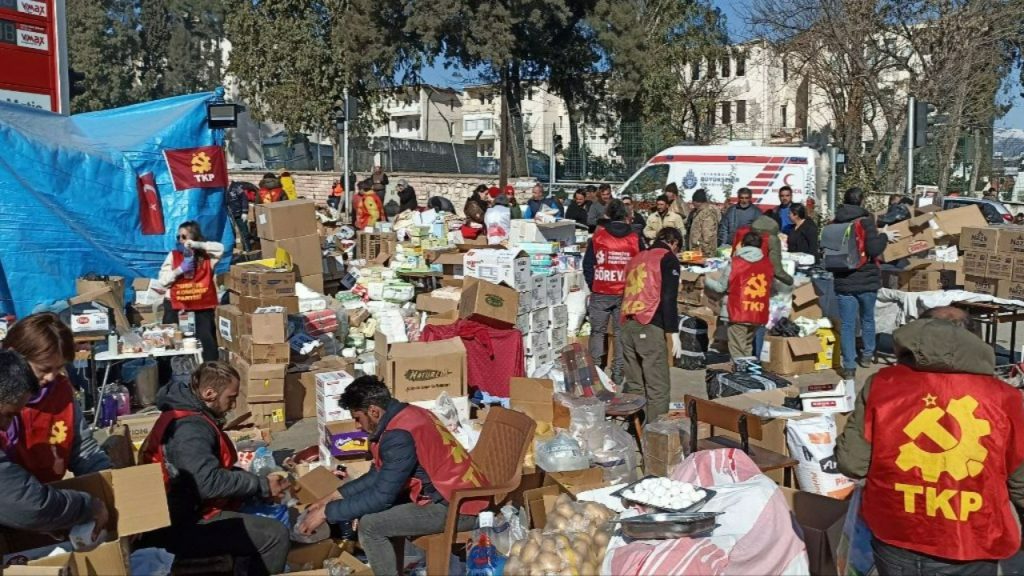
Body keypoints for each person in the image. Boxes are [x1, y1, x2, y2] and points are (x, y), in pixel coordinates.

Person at [836, 314, 1024, 576]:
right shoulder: (1006, 398)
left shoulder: (881, 384)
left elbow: (851, 463)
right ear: (974, 338)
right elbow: (1021, 483)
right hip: (972, 541)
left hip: (896, 534)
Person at [297, 376, 487, 574]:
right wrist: (332, 498)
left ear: (373, 411)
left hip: (460, 507)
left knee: (371, 526)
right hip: (456, 496)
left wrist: (327, 512)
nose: (356, 426)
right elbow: (378, 475)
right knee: (369, 513)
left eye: (357, 418)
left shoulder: (398, 435)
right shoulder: (408, 414)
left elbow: (382, 497)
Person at [139, 362, 291, 575]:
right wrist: (261, 485)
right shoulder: (189, 429)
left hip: (187, 509)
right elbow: (207, 483)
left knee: (259, 510)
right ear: (209, 394)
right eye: (231, 397)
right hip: (183, 523)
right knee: (275, 535)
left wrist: (256, 485)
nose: (233, 404)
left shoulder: (189, 415)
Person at [0, 349, 109, 534]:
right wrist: (88, 507)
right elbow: (30, 505)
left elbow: (81, 446)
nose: (5, 426)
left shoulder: (61, 392)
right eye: (7, 415)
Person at [1, 313, 112, 483]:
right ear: (15, 357)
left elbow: (81, 447)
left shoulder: (61, 391)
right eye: (44, 369)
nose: (52, 377)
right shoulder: (4, 397)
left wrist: (108, 479)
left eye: (59, 367)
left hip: (48, 495)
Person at [619, 226, 682, 421]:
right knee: (658, 388)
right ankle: (656, 438)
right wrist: (673, 332)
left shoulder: (636, 258)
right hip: (649, 322)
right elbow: (668, 297)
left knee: (635, 385)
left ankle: (635, 429)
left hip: (627, 322)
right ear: (674, 243)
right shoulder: (667, 258)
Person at [831, 187, 891, 377]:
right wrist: (884, 236)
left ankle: (848, 365)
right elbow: (873, 249)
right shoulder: (866, 222)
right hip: (866, 280)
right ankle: (866, 355)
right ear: (862, 201)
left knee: (847, 325)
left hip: (844, 281)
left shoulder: (834, 222)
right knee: (867, 319)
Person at [583, 199, 644, 384]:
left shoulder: (599, 237)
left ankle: (595, 372)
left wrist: (594, 282)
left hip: (601, 288)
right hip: (625, 291)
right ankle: (618, 373)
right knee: (620, 334)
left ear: (607, 214)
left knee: (597, 332)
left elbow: (588, 265)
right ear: (626, 216)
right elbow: (642, 266)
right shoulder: (635, 238)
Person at [704, 232, 785, 359]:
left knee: (737, 349)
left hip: (738, 311)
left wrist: (705, 280)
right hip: (758, 312)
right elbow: (774, 289)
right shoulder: (768, 265)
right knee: (747, 347)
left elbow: (720, 287)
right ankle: (747, 374)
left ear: (742, 245)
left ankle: (740, 376)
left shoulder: (735, 263)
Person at [158, 221, 224, 362]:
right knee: (170, 340)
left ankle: (210, 371)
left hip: (201, 304)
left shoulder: (207, 257)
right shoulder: (174, 256)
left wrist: (196, 245)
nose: (180, 240)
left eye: (184, 236)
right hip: (176, 303)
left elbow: (220, 248)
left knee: (206, 340)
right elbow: (163, 281)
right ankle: (172, 375)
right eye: (178, 237)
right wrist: (179, 270)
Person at [686, 188, 721, 255]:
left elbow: (707, 237)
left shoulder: (707, 214)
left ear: (695, 201)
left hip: (703, 253)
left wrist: (704, 252)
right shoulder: (698, 212)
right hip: (697, 252)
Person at [226, 181, 255, 252]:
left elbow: (244, 199)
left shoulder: (236, 187)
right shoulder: (221, 189)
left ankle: (248, 250)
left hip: (239, 213)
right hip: (228, 215)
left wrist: (244, 212)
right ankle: (233, 251)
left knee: (244, 233)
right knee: (231, 234)